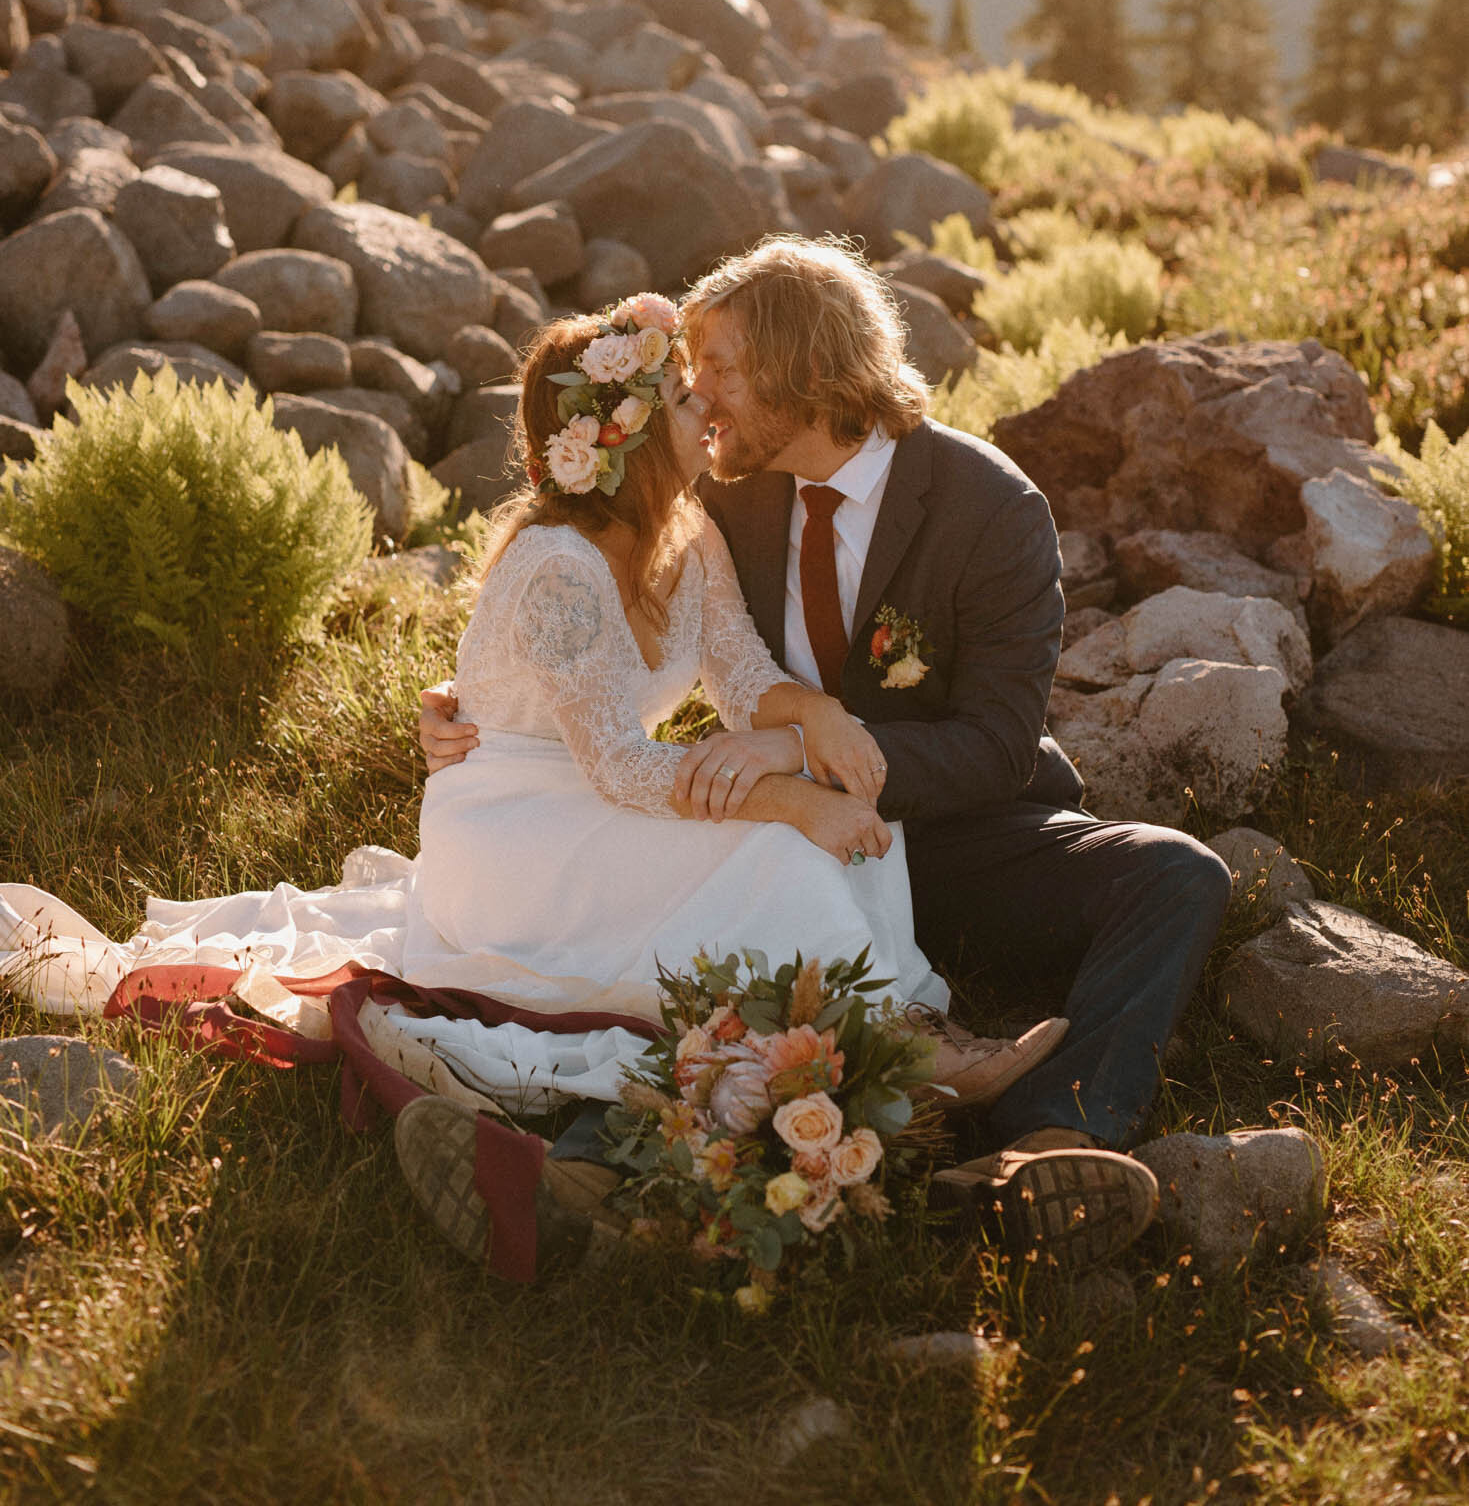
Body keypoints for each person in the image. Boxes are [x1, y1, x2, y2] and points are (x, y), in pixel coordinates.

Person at [422, 240, 1235, 1271]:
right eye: (689, 378)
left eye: (720, 369)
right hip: (784, 843)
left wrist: (807, 751)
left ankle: (1042, 1145)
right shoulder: (721, 485)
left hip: (949, 833)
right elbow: (581, 579)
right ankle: (610, 1178)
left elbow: (991, 746)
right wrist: (465, 704)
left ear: (805, 375)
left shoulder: (991, 512)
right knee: (732, 906)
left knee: (1175, 874)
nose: (699, 394)